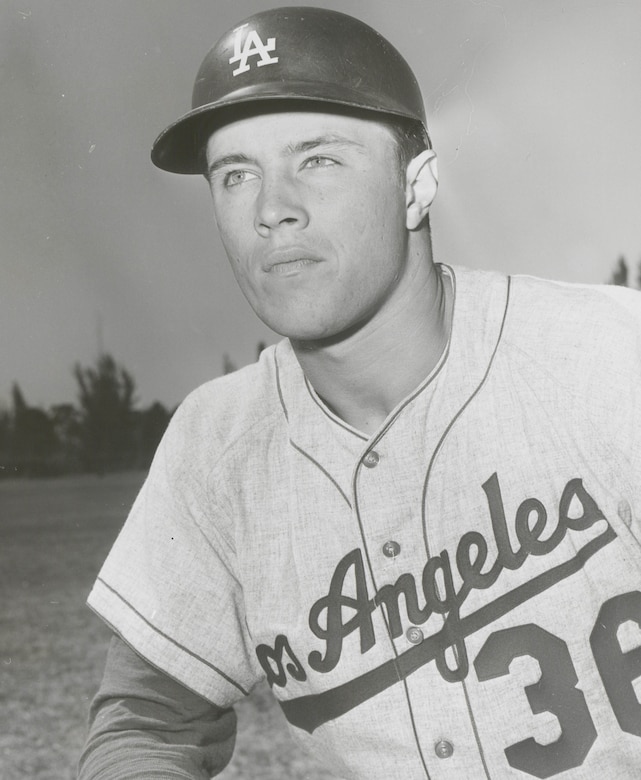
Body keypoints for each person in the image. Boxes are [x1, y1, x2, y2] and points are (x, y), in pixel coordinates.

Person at [78, 6, 641, 779]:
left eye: (317, 159)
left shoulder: (607, 354)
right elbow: (146, 723)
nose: (271, 208)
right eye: (235, 174)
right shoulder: (217, 446)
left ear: (417, 184)